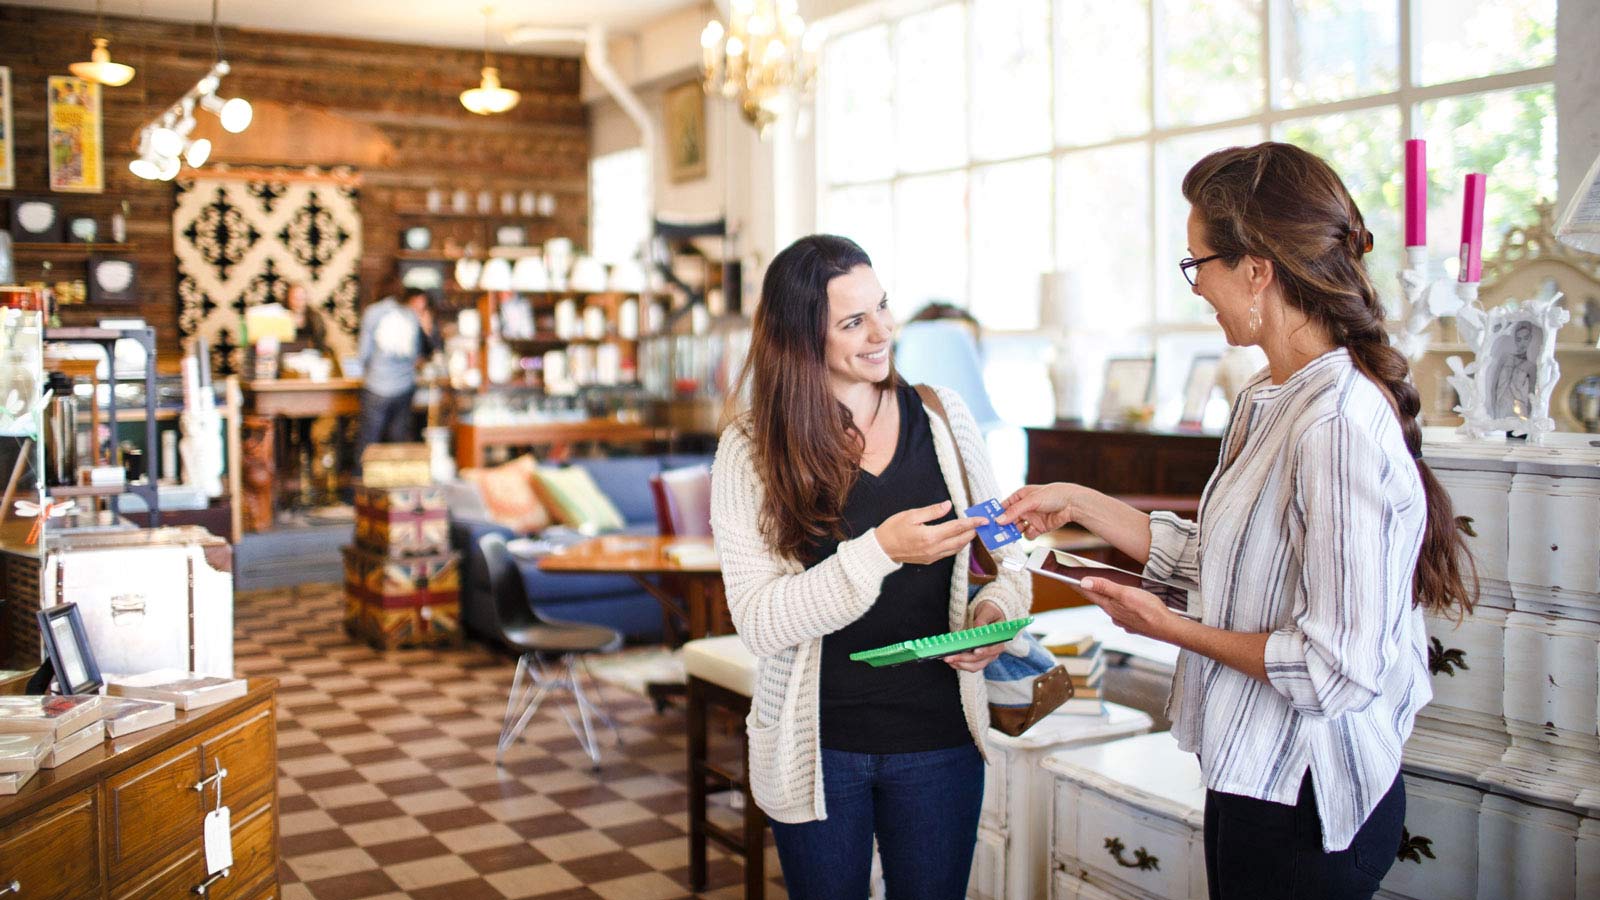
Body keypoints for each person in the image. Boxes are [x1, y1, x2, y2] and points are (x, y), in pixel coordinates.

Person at [998, 143, 1476, 900]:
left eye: (1198, 264)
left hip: (1309, 800)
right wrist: (1081, 501)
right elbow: (1228, 562)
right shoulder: (1267, 396)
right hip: (1253, 773)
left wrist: (1170, 630)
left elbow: (1334, 668)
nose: (1196, 288)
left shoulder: (1337, 422)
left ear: (1256, 268)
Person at [709, 234, 1031, 900]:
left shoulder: (944, 416)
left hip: (940, 738)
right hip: (818, 745)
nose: (882, 331)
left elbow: (1009, 557)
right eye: (854, 321)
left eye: (883, 307)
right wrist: (881, 551)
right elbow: (761, 624)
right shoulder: (749, 450)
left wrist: (995, 612)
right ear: (803, 338)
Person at [355, 286, 434, 462]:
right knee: (398, 441)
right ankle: (396, 485)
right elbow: (419, 353)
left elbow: (363, 354)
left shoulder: (373, 312)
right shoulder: (411, 316)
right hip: (404, 387)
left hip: (376, 385)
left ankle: (361, 485)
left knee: (368, 440)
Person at [1489, 320, 1536, 418]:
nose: (1522, 343)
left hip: (1518, 409)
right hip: (1500, 407)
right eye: (1518, 339)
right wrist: (1492, 408)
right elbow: (1493, 385)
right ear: (1515, 341)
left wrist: (1530, 418)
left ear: (1530, 339)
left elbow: (1531, 395)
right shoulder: (1505, 357)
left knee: (1515, 432)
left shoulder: (1531, 366)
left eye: (1525, 338)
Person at [284, 283, 331, 357]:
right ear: (288, 299)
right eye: (295, 298)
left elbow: (319, 341)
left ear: (306, 299)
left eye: (301, 298)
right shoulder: (281, 316)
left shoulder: (315, 317)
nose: (298, 302)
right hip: (287, 356)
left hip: (310, 356)